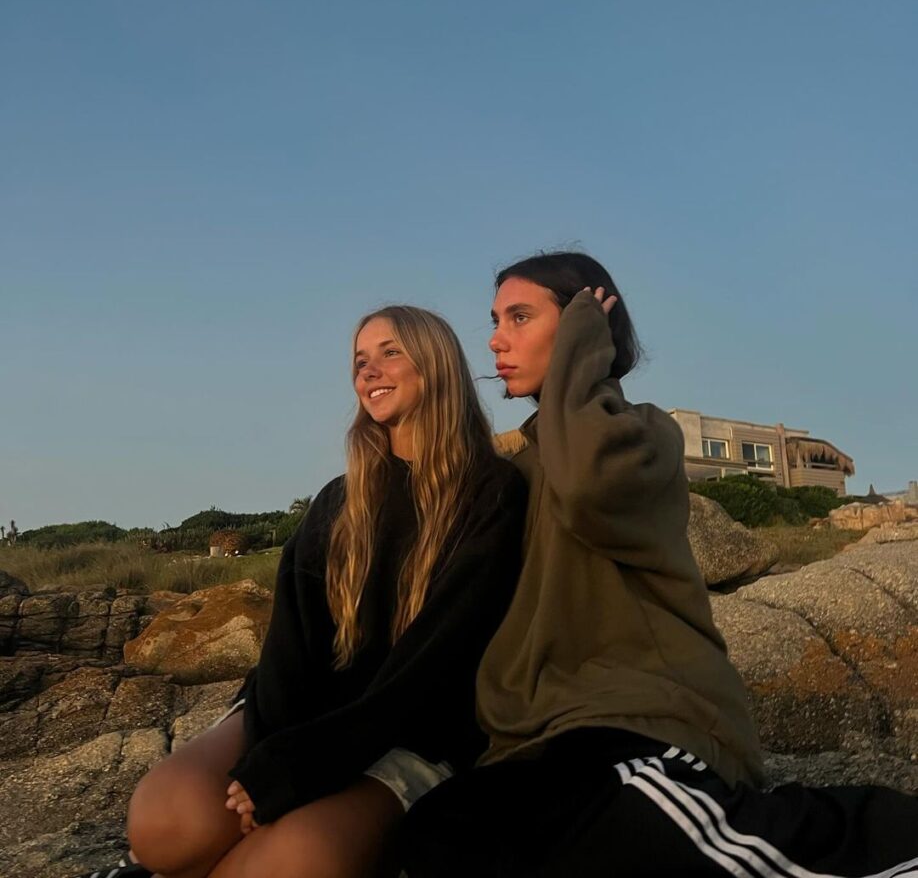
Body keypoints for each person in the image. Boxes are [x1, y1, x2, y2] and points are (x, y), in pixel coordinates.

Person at [402, 251, 918, 878]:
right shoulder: (516, 470)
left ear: (586, 326)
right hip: (543, 740)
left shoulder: (641, 435)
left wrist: (582, 356)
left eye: (520, 317)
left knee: (628, 822)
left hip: (647, 718)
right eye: (495, 320)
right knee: (440, 831)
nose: (495, 339)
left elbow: (588, 488)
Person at [79, 305, 526, 878]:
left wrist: (304, 767)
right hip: (303, 711)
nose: (369, 371)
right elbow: (291, 640)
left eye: (390, 353)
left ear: (435, 364)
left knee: (285, 864)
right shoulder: (341, 498)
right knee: (165, 825)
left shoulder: (492, 494)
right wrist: (269, 752)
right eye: (360, 361)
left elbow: (434, 665)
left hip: (411, 731)